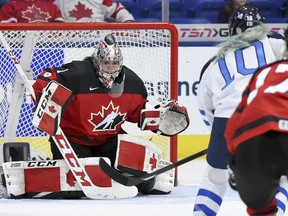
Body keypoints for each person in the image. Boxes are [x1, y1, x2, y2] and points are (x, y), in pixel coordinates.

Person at [29, 33, 189, 198]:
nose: (110, 67)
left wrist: (159, 117)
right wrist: (45, 97)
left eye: (114, 63)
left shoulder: (133, 82)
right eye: (106, 62)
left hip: (109, 141)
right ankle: (47, 166)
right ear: (97, 60)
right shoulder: (78, 73)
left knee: (146, 184)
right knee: (73, 189)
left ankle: (121, 172)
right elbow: (44, 79)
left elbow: (139, 113)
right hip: (73, 140)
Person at [194, 6, 287, 216]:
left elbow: (205, 107)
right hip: (267, 117)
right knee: (281, 175)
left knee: (214, 180)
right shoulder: (276, 44)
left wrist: (222, 136)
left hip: (226, 121)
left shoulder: (215, 62)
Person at [225, 27, 288, 216]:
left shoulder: (265, 72)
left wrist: (236, 161)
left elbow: (233, 126)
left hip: (251, 143)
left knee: (260, 210)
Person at [53, 0, 134, 22]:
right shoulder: (58, 1)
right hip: (70, 40)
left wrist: (128, 20)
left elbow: (116, 10)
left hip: (97, 37)